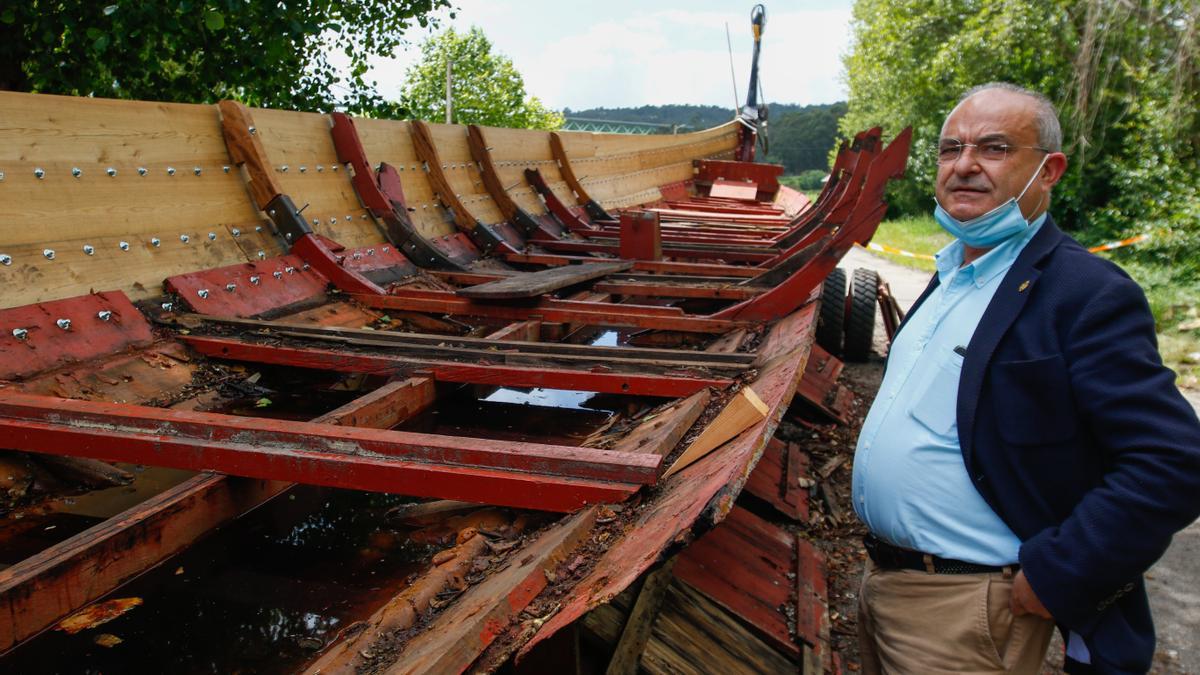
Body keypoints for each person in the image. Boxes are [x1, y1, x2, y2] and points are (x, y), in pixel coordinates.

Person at [851, 82, 1200, 674]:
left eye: (993, 148)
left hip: (968, 610)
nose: (963, 166)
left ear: (1048, 169)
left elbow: (1173, 461)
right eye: (949, 149)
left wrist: (1063, 572)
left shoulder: (1086, 293)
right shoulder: (951, 275)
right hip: (883, 583)